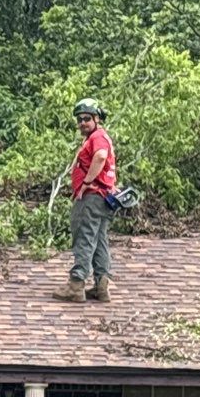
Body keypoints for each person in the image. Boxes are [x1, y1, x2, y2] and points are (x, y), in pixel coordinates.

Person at [58, 97, 117, 302]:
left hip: (92, 197)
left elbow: (100, 156)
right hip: (103, 197)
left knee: (84, 237)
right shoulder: (100, 136)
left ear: (96, 119)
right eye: (79, 119)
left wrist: (86, 182)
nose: (82, 123)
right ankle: (102, 287)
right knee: (100, 240)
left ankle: (76, 285)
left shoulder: (97, 137)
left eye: (86, 118)